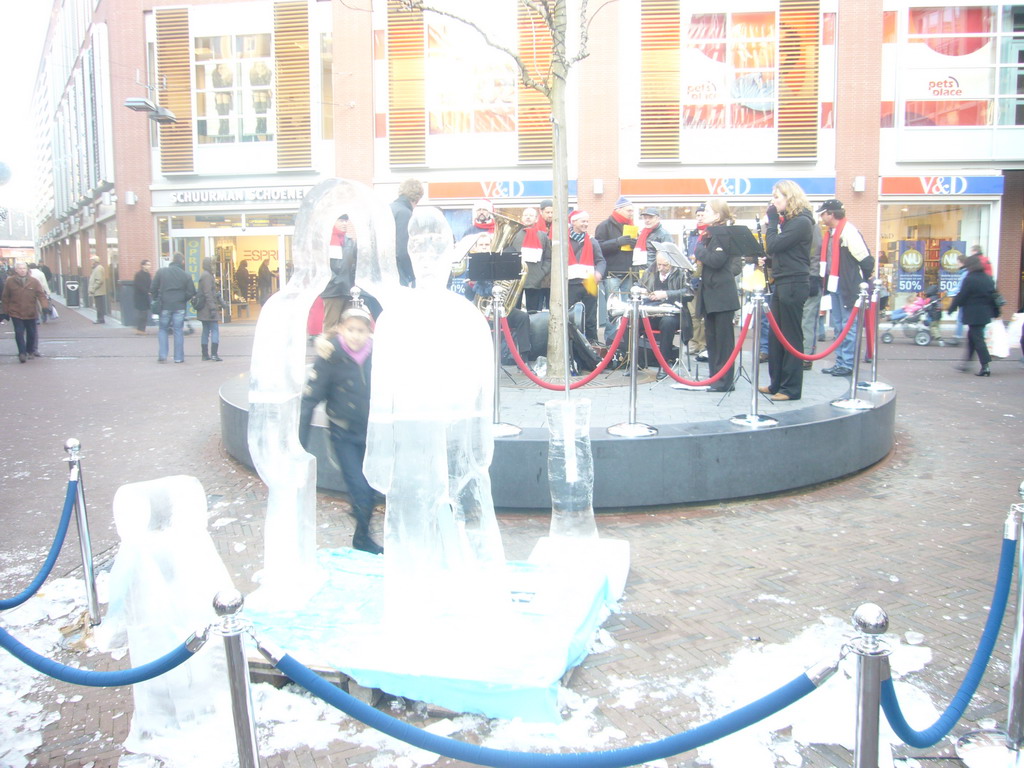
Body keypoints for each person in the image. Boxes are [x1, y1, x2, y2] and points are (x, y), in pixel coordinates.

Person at [299, 306, 383, 554]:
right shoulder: (330, 356)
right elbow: (309, 400)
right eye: (350, 330)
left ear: (369, 331)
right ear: (341, 329)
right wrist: (298, 445)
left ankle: (361, 536)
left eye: (361, 330)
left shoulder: (378, 355)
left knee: (373, 489)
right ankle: (363, 538)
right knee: (360, 489)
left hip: (373, 434)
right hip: (344, 434)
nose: (355, 336)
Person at [759, 180, 813, 401]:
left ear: (789, 198)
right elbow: (781, 252)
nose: (773, 202)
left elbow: (774, 244)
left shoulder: (801, 222)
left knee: (790, 335)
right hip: (783, 280)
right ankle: (777, 383)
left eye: (777, 197)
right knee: (775, 335)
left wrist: (771, 222)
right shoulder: (791, 222)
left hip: (794, 283)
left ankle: (791, 388)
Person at [694, 198, 750, 393]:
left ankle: (724, 381)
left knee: (723, 341)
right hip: (710, 294)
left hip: (722, 295)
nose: (704, 213)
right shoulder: (710, 234)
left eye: (708, 210)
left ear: (717, 215)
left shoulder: (724, 233)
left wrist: (698, 250)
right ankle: (715, 377)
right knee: (713, 340)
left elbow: (717, 260)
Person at [816, 199, 874, 377]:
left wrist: (858, 281)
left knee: (847, 326)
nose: (821, 216)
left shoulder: (848, 232)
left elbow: (866, 260)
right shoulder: (833, 233)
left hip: (847, 285)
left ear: (831, 214)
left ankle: (847, 363)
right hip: (836, 284)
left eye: (823, 213)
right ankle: (841, 361)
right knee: (840, 326)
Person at [638, 250, 691, 380]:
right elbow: (638, 285)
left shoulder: (681, 272)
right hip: (652, 312)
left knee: (667, 323)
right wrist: (641, 291)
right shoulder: (650, 270)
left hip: (674, 313)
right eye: (659, 264)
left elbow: (689, 292)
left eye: (665, 265)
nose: (661, 268)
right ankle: (634, 362)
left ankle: (664, 364)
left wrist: (666, 294)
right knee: (633, 321)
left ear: (672, 263)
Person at [946, 252, 998, 376]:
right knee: (972, 338)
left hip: (973, 314)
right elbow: (993, 296)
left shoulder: (970, 279)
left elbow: (961, 296)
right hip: (985, 313)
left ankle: (985, 366)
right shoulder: (988, 278)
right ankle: (967, 363)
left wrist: (951, 308)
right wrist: (996, 312)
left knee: (978, 340)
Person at [594, 196, 638, 341]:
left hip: (628, 272)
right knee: (611, 308)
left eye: (632, 211)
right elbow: (598, 247)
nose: (631, 213)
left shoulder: (632, 227)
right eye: (628, 210)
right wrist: (617, 242)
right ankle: (611, 338)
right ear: (618, 209)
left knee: (626, 308)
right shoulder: (604, 226)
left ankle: (625, 338)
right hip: (612, 273)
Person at [566, 210, 606, 343]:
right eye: (583, 221)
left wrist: (599, 272)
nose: (586, 224)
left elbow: (601, 260)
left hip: (589, 281)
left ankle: (592, 342)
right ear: (574, 222)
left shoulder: (592, 241)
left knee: (591, 315)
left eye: (587, 221)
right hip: (570, 283)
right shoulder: (563, 240)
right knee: (569, 315)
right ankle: (571, 341)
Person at [151, 252, 197, 364]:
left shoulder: (161, 272)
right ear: (182, 262)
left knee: (163, 329)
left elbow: (153, 287)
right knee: (178, 331)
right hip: (179, 306)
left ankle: (162, 355)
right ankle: (178, 357)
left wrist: (157, 297)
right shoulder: (185, 275)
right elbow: (191, 291)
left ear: (172, 260)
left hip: (165, 305)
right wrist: (182, 298)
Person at [1, 260, 49, 363]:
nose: (22, 271)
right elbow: (5, 297)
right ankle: (22, 353)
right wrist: (4, 312)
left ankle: (30, 350)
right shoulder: (10, 281)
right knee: (19, 332)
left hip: (30, 311)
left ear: (27, 270)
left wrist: (45, 307)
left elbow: (41, 295)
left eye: (24, 268)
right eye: (20, 269)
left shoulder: (34, 281)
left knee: (31, 333)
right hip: (16, 312)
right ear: (16, 270)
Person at [512, 206, 551, 312]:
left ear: (536, 219)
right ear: (521, 218)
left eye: (531, 215)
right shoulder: (514, 234)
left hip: (535, 279)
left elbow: (548, 258)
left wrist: (542, 273)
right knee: (514, 310)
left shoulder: (543, 236)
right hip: (516, 280)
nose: (528, 217)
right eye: (525, 215)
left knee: (533, 312)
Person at [390, 178, 424, 287]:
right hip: (398, 273)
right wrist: (412, 275)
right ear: (417, 198)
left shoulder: (389, 208)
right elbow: (403, 250)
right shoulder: (405, 213)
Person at [800, 218, 824, 370]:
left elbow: (815, 253)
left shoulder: (812, 227)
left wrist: (813, 276)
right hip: (799, 277)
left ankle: (807, 356)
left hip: (809, 277)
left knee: (807, 318)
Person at [197, 257, 226, 361]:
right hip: (208, 308)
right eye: (213, 265)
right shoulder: (207, 276)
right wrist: (213, 308)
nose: (214, 267)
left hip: (204, 309)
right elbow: (208, 293)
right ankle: (214, 354)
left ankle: (205, 354)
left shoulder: (205, 275)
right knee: (214, 330)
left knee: (206, 330)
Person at [133, 260, 153, 334]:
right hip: (140, 297)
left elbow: (149, 284)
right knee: (142, 313)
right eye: (147, 264)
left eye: (149, 265)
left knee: (145, 314)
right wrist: (147, 292)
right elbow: (139, 286)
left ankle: (142, 329)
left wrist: (150, 291)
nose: (149, 266)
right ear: (143, 265)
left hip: (146, 297)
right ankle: (140, 330)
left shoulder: (148, 274)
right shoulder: (138, 275)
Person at [88, 255, 108, 324]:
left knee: (99, 306)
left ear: (95, 261)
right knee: (98, 305)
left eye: (91, 261)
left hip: (99, 291)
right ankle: (100, 319)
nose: (91, 262)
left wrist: (93, 288)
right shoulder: (96, 268)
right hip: (97, 291)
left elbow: (99, 281)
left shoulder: (99, 268)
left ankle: (100, 319)